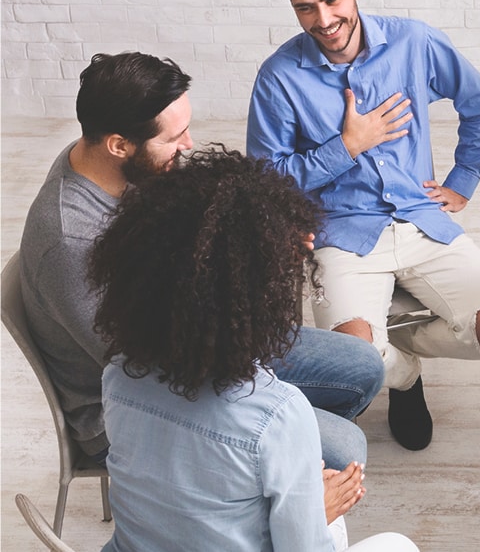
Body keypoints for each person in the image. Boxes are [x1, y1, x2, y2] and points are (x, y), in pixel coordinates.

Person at [18, 51, 383, 471]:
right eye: (173, 139)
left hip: (187, 339)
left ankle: (274, 453)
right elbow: (143, 364)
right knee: (346, 450)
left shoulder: (108, 161)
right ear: (119, 144)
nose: (188, 145)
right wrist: (257, 282)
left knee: (363, 365)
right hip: (136, 406)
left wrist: (260, 241)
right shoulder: (70, 241)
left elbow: (179, 239)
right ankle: (263, 471)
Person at [247, 0, 480, 451]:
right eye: (305, 8)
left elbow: (479, 101)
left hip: (421, 217)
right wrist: (347, 146)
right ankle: (405, 377)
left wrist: (462, 180)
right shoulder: (279, 78)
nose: (323, 20)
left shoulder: (413, 42)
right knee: (353, 360)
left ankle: (398, 348)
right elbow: (266, 181)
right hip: (341, 233)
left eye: (332, 0)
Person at [91, 148, 418, 552]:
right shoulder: (277, 416)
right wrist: (317, 509)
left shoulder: (119, 377)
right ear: (261, 297)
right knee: (398, 544)